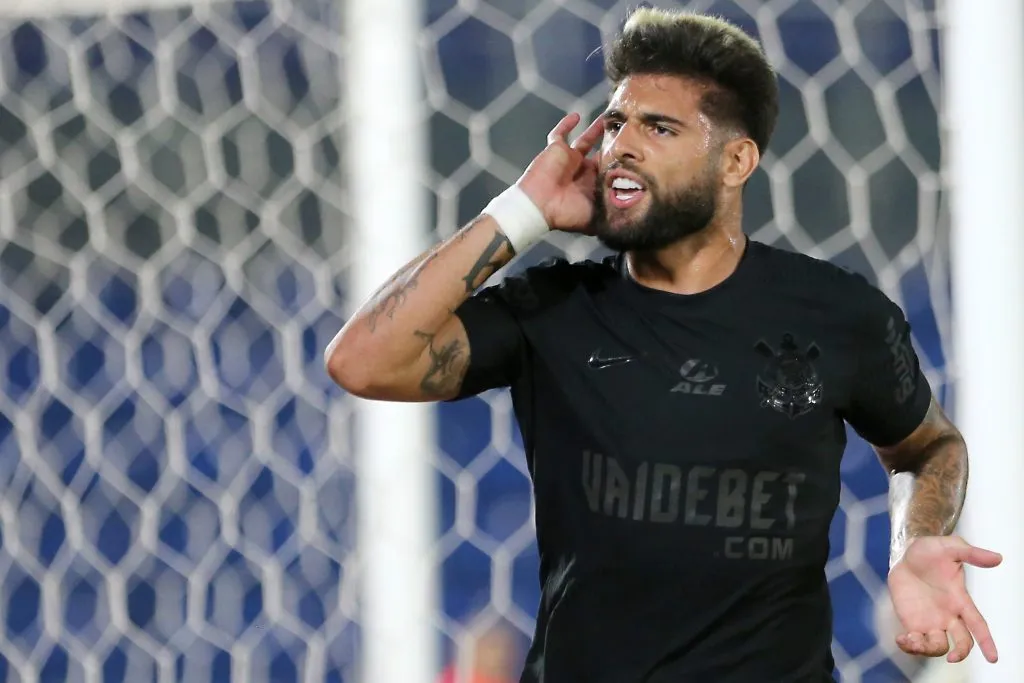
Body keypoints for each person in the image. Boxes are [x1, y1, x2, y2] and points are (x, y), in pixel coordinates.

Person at [325, 7, 1001, 682]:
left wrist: (918, 537)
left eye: (658, 127)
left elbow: (929, 445)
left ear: (736, 160)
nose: (621, 144)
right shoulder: (556, 310)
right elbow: (360, 360)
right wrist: (523, 209)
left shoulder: (837, 313)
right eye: (616, 122)